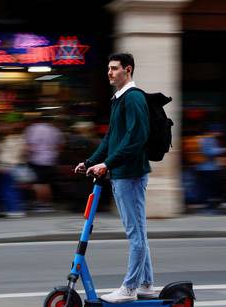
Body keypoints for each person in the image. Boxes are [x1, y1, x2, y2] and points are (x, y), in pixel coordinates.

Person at [74, 53, 154, 303]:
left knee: (135, 234)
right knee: (138, 232)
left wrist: (107, 164)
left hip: (130, 175)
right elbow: (111, 139)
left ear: (127, 70)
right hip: (122, 174)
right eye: (108, 68)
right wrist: (90, 162)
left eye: (114, 68)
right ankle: (145, 283)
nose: (109, 72)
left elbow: (136, 138)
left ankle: (130, 288)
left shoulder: (134, 99)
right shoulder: (119, 99)